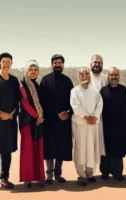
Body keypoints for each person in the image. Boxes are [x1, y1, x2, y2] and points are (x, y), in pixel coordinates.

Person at [40, 54, 74, 185]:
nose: (57, 64)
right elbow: (42, 101)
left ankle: (58, 174)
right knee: (49, 148)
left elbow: (73, 101)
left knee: (61, 148)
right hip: (49, 121)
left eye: (60, 62)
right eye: (55, 62)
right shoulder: (45, 80)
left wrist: (68, 112)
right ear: (52, 64)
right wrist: (54, 113)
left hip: (63, 121)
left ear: (63, 65)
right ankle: (49, 175)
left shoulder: (67, 81)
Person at [70, 67, 103, 186]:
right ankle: (81, 175)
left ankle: (90, 173)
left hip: (92, 125)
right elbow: (75, 105)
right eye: (81, 74)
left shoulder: (95, 91)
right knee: (80, 150)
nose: (84, 76)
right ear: (78, 77)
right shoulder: (74, 91)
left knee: (91, 149)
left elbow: (100, 105)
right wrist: (86, 117)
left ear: (90, 76)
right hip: (80, 125)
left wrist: (95, 116)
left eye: (86, 74)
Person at [100, 67, 126, 181]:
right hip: (106, 126)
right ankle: (104, 173)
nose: (114, 77)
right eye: (111, 75)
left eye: (116, 75)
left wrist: (124, 126)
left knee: (118, 152)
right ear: (108, 76)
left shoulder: (124, 90)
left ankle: (118, 173)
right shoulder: (102, 91)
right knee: (105, 151)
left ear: (119, 76)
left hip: (120, 125)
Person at [19, 60, 46, 188]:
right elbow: (24, 103)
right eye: (31, 69)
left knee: (38, 151)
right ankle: (27, 178)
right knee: (27, 152)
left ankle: (40, 177)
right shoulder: (22, 86)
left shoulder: (39, 87)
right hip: (27, 122)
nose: (33, 72)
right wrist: (37, 117)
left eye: (35, 70)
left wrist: (40, 118)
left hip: (39, 122)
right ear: (26, 71)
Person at [0, 52, 21, 189]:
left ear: (11, 64)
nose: (6, 64)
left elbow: (18, 101)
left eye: (9, 62)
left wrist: (10, 114)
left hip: (10, 121)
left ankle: (4, 177)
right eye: (4, 61)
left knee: (6, 151)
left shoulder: (14, 81)